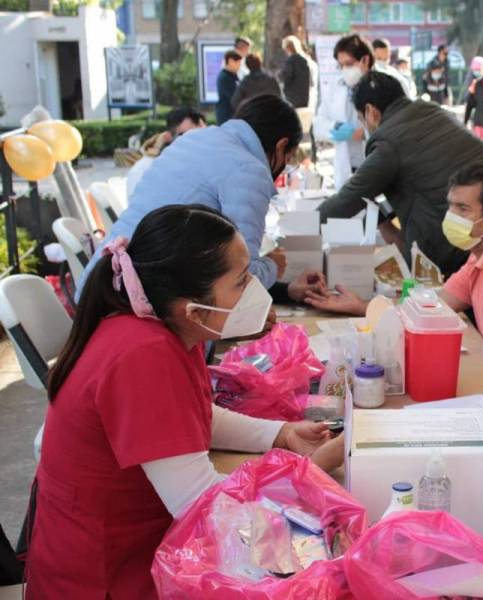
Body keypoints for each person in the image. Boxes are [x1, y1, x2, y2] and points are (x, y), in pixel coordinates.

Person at [25, 205, 344, 598]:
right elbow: (202, 506)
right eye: (242, 281)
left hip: (137, 542)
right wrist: (309, 474)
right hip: (106, 575)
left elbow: (188, 415)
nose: (254, 291)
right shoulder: (142, 354)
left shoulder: (170, 328)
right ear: (193, 306)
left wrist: (280, 434)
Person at [307, 162, 483, 388]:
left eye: (462, 208)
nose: (451, 216)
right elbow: (431, 307)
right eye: (451, 205)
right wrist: (363, 306)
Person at [83, 95, 321, 305]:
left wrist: (287, 290)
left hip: (101, 287)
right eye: (288, 158)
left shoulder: (194, 139)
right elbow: (241, 276)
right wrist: (272, 266)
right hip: (140, 305)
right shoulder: (248, 168)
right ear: (281, 146)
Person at [317, 71, 483, 277]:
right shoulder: (431, 113)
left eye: (361, 118)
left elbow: (347, 200)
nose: (364, 125)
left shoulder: (390, 141)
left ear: (371, 112)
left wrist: (300, 228)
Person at [314, 34, 408, 188]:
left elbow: (403, 123)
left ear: (365, 60)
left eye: (349, 64)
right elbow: (318, 124)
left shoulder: (391, 82)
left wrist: (365, 133)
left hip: (383, 165)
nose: (345, 70)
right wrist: (337, 129)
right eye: (341, 65)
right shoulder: (336, 86)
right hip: (348, 167)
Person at [126, 106, 207, 198]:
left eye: (203, 136)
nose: (197, 143)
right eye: (186, 136)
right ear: (168, 138)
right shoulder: (144, 170)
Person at [281, 35, 318, 159]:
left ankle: (295, 155)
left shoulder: (290, 61)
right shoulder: (306, 60)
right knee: (307, 129)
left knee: (293, 129)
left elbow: (286, 77)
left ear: (288, 48)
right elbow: (312, 81)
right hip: (305, 99)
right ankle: (311, 155)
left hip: (292, 99)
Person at [215, 50, 242, 125]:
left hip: (233, 115)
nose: (239, 66)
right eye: (238, 63)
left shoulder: (233, 75)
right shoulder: (224, 77)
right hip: (226, 115)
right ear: (230, 61)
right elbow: (234, 97)